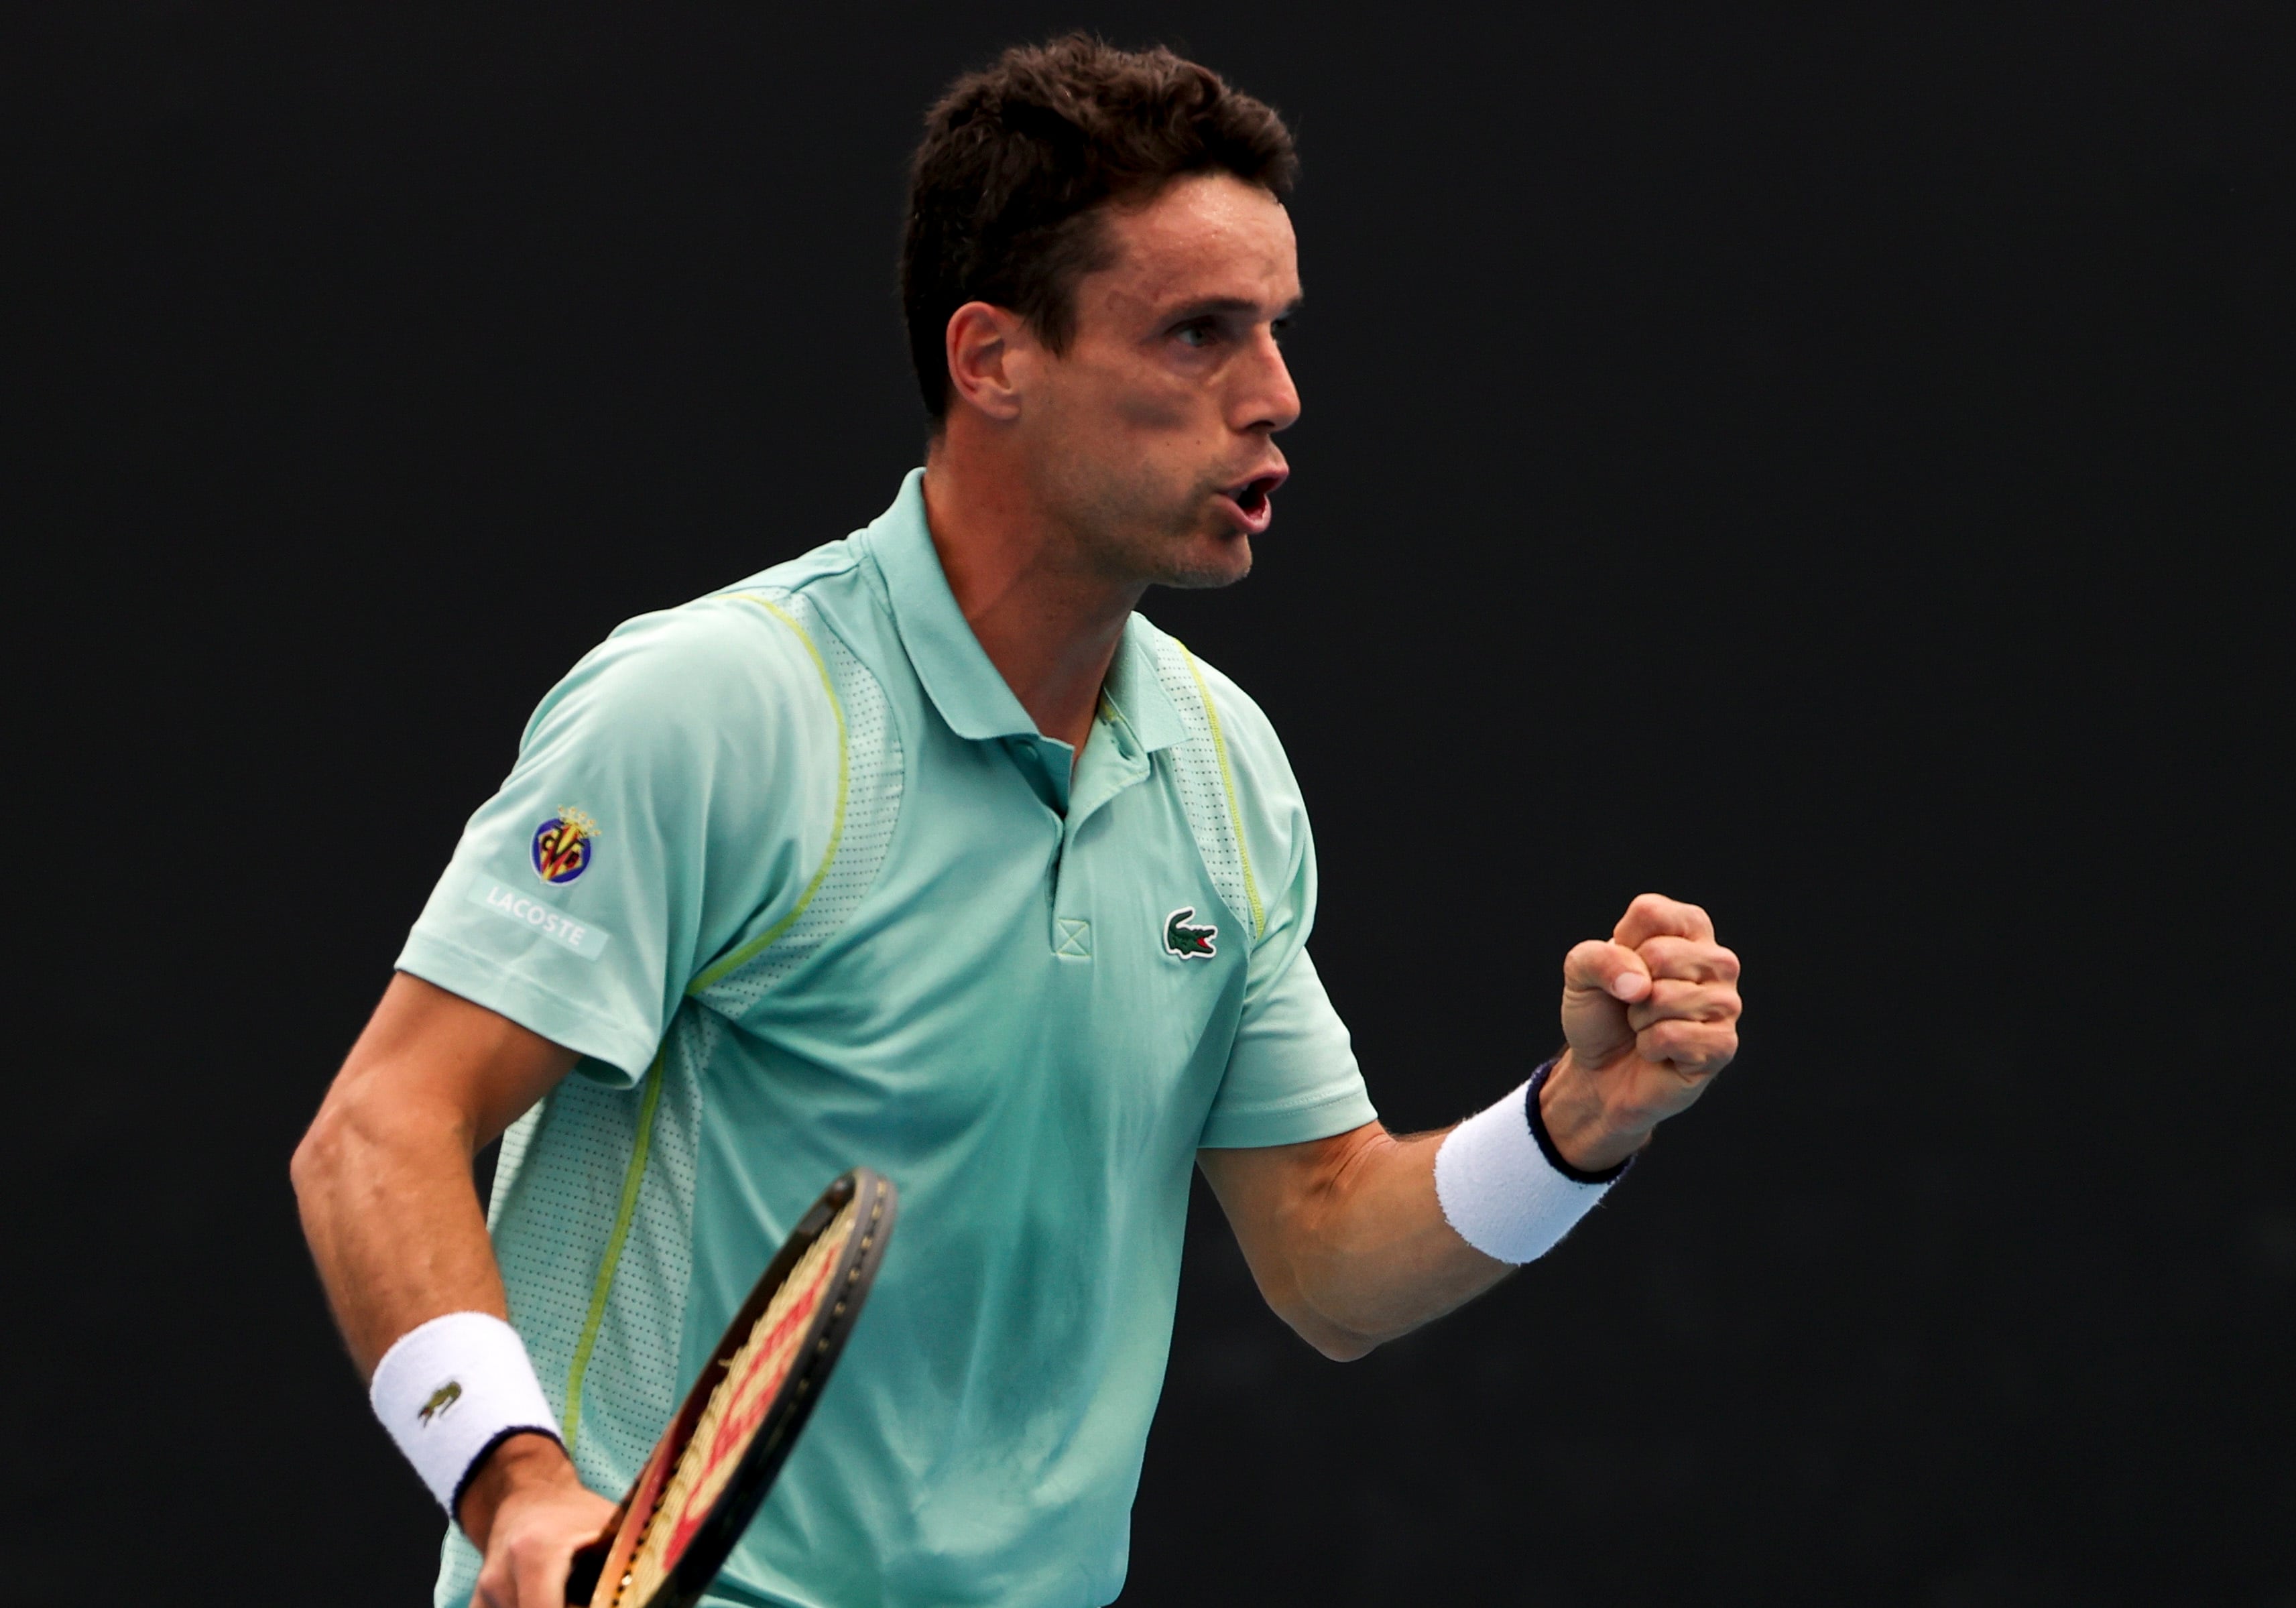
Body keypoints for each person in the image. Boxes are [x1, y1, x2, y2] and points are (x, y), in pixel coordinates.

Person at [291, 35, 1742, 1608]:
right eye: (1200, 334)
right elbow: (377, 1131)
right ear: (992, 358)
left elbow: (1329, 1256)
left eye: (1276, 332)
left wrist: (1573, 1129)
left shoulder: (1219, 767)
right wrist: (515, 1488)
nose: (1277, 398)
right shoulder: (717, 708)